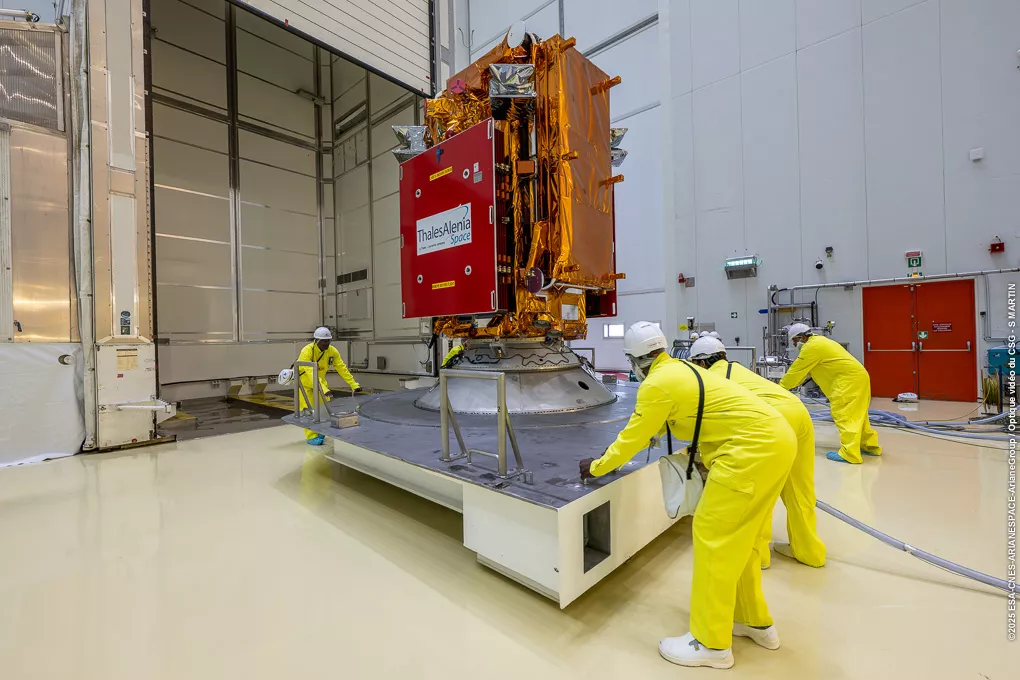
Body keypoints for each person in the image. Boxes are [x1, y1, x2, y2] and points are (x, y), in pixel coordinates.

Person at [579, 322, 796, 669]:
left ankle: (710, 643)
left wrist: (596, 467)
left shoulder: (656, 385)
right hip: (776, 442)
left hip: (749, 453)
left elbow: (630, 439)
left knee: (715, 539)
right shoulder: (683, 369)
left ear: (635, 360)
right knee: (744, 541)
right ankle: (753, 621)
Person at [688, 337, 825, 569]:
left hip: (775, 420)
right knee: (800, 490)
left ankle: (759, 556)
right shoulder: (738, 369)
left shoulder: (710, 379)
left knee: (761, 492)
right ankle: (809, 551)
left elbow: (708, 419)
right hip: (800, 414)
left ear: (701, 364)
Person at [779, 323, 882, 464]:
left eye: (795, 341)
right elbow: (805, 372)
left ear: (802, 338)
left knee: (845, 415)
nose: (795, 344)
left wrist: (779, 388)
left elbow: (795, 373)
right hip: (858, 378)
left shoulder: (811, 348)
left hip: (848, 382)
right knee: (859, 415)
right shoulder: (819, 342)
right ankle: (868, 446)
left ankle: (850, 453)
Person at [297, 327, 361, 446]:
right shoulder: (307, 351)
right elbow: (310, 373)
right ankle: (311, 436)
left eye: (328, 341)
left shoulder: (332, 351)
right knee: (309, 410)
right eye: (323, 341)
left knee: (324, 409)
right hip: (305, 383)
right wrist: (324, 389)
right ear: (316, 341)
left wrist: (353, 384)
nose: (326, 343)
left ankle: (321, 431)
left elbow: (342, 368)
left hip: (320, 382)